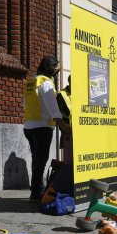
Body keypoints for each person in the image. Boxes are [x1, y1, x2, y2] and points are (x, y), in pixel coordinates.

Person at [24, 57, 70, 201]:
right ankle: (36, 193)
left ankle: (36, 188)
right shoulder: (46, 83)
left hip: (29, 127)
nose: (57, 71)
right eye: (57, 68)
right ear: (51, 68)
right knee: (41, 161)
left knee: (36, 160)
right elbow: (52, 106)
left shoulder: (32, 82)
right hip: (42, 127)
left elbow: (24, 103)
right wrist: (62, 125)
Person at [56, 75, 73, 164]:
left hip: (79, 132)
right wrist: (65, 128)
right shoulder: (61, 94)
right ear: (70, 82)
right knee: (67, 161)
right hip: (67, 132)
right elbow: (59, 113)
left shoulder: (79, 94)